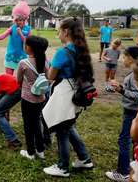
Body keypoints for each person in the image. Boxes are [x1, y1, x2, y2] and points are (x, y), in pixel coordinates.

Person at [43, 17, 94, 178]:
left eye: (58, 30)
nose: (57, 34)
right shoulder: (81, 49)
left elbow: (51, 76)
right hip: (78, 94)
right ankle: (84, 158)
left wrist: (49, 66)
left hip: (64, 94)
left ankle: (62, 167)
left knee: (62, 130)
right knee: (68, 125)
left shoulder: (62, 52)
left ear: (66, 32)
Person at [105, 47, 138, 182]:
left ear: (132, 59)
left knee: (124, 140)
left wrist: (122, 90)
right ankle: (133, 164)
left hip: (132, 113)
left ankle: (123, 171)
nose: (122, 60)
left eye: (124, 57)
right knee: (132, 141)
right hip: (134, 112)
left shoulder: (137, 76)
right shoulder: (133, 74)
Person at [17, 35, 49, 160]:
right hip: (41, 98)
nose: (24, 47)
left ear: (30, 48)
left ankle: (30, 152)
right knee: (37, 123)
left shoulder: (23, 63)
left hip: (27, 98)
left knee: (28, 125)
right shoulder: (44, 61)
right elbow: (49, 77)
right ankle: (40, 150)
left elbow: (18, 81)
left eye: (26, 45)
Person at [0, 0, 31, 75]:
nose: (18, 22)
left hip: (23, 56)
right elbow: (3, 35)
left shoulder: (28, 29)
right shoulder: (12, 28)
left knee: (21, 79)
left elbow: (28, 42)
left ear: (24, 19)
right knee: (9, 77)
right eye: (16, 20)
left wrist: (20, 34)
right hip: (11, 56)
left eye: (20, 20)